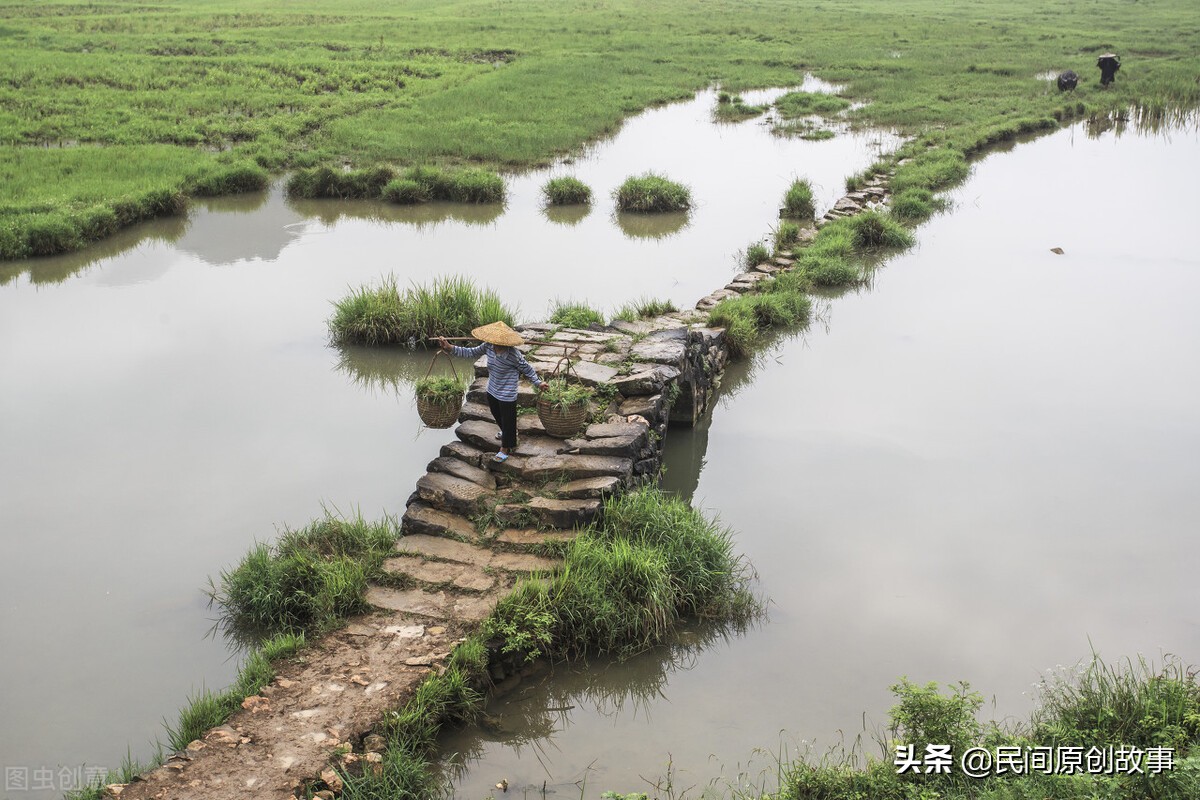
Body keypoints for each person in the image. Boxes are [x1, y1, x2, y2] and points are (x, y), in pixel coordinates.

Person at [437, 321, 548, 463]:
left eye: (497, 341)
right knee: (497, 415)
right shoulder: (488, 346)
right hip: (492, 389)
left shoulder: (513, 355)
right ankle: (510, 433)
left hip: (507, 393)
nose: (494, 343)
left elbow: (527, 369)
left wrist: (538, 383)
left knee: (508, 420)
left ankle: (505, 448)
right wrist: (450, 347)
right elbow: (471, 352)